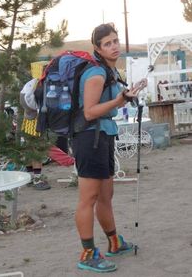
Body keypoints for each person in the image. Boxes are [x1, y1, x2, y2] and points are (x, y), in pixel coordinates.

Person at [72, 22, 145, 273]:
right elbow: (89, 112)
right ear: (98, 48)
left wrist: (128, 95)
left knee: (105, 196)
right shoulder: (96, 74)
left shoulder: (110, 71)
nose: (114, 46)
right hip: (88, 138)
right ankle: (88, 253)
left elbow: (113, 103)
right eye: (107, 43)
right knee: (88, 198)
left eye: (115, 41)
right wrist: (118, 100)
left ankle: (114, 242)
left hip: (102, 136)